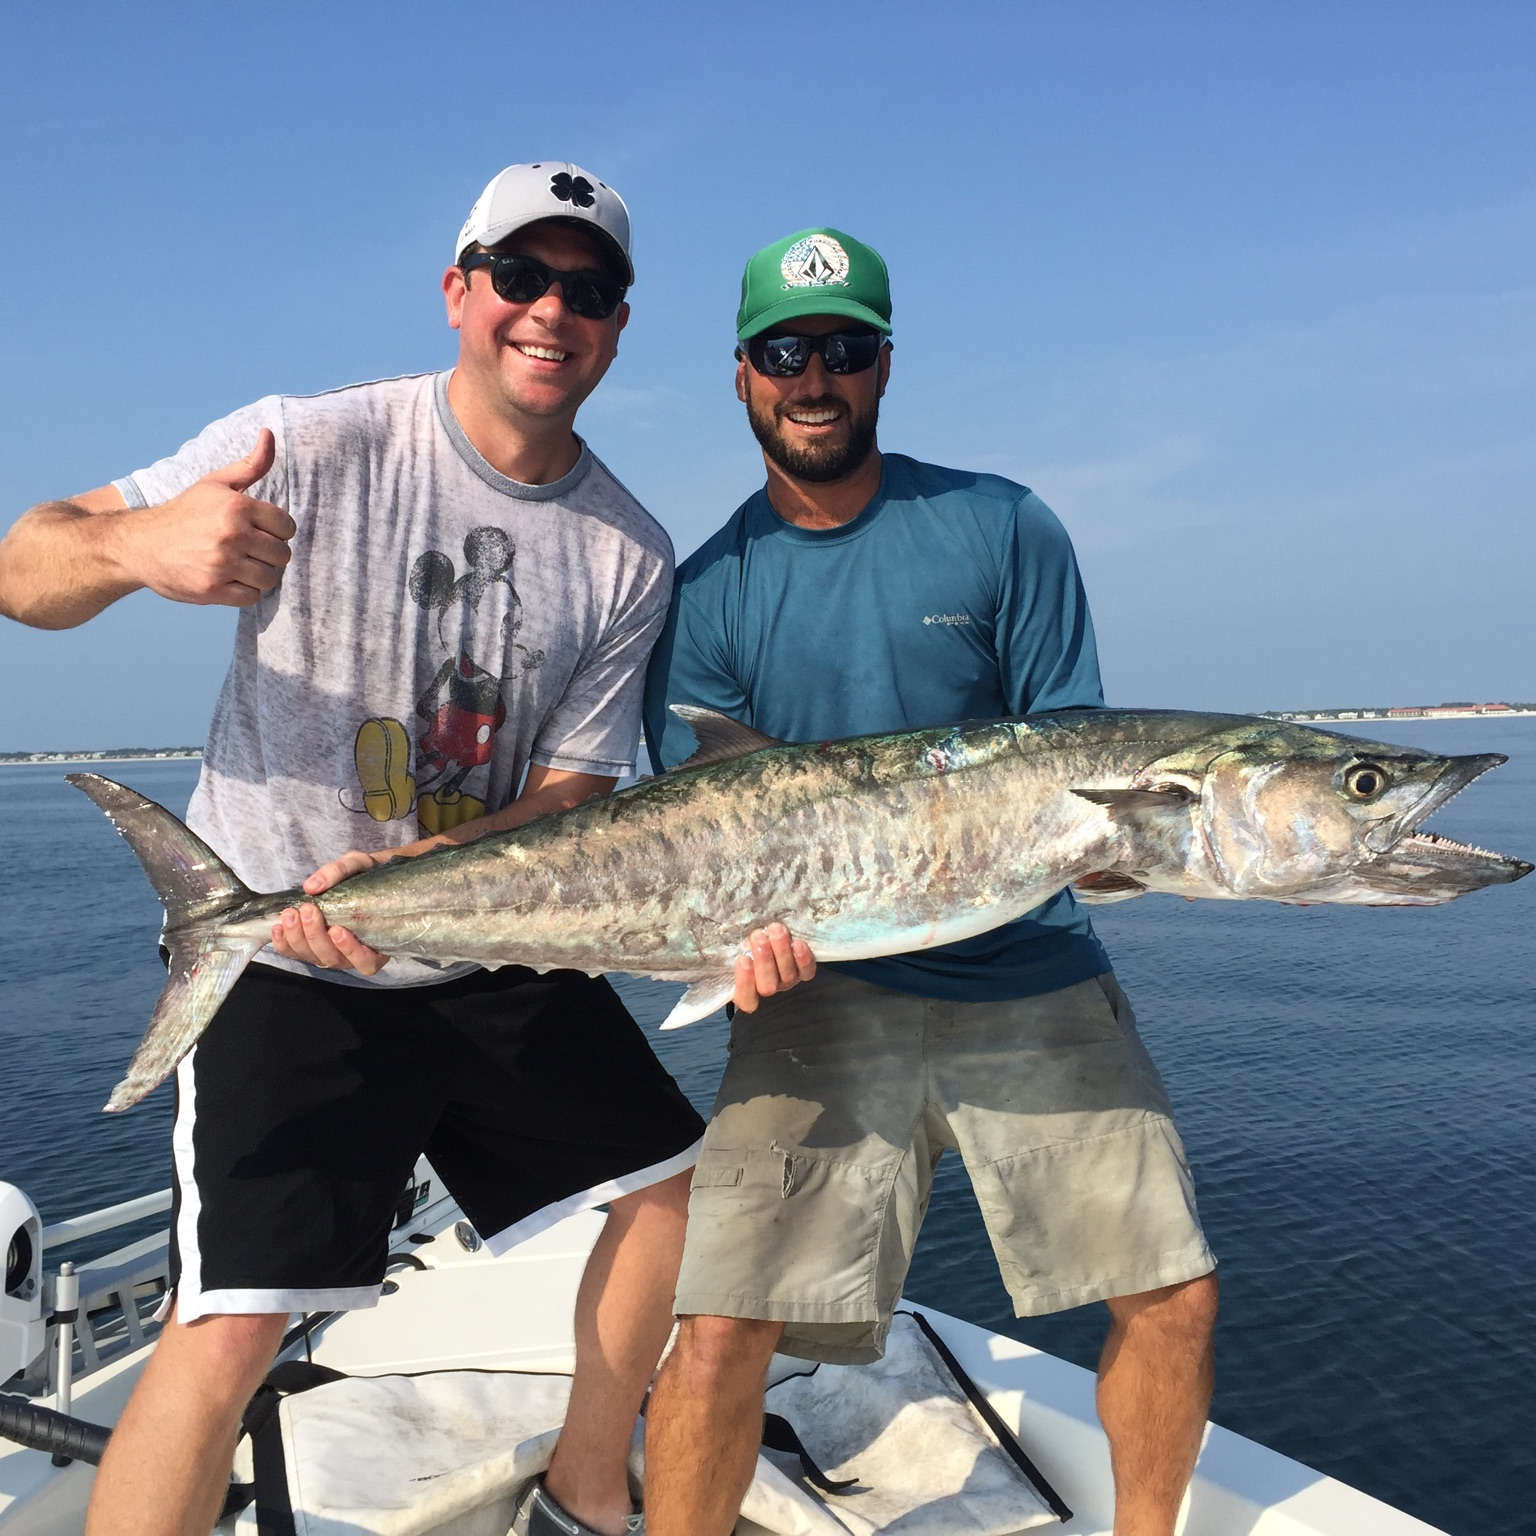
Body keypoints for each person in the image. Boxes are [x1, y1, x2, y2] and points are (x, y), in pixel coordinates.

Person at [0, 163, 733, 1536]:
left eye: (589, 290)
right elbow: (23, 561)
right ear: (461, 292)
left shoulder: (630, 553)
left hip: (489, 943)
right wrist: (145, 548)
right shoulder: (309, 440)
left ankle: (586, 1472)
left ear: (619, 327)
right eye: (522, 276)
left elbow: (572, 795)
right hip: (284, 959)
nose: (551, 309)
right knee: (226, 1331)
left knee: (676, 1200)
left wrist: (408, 896)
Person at [640, 228, 1221, 1536]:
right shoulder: (708, 596)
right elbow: (703, 832)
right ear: (741, 375)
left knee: (1172, 1295)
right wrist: (739, 949)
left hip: (1029, 966)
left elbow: (1076, 761)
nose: (816, 377)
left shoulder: (1004, 527)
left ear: (883, 365)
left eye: (844, 348)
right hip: (816, 993)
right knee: (723, 1325)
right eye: (786, 351)